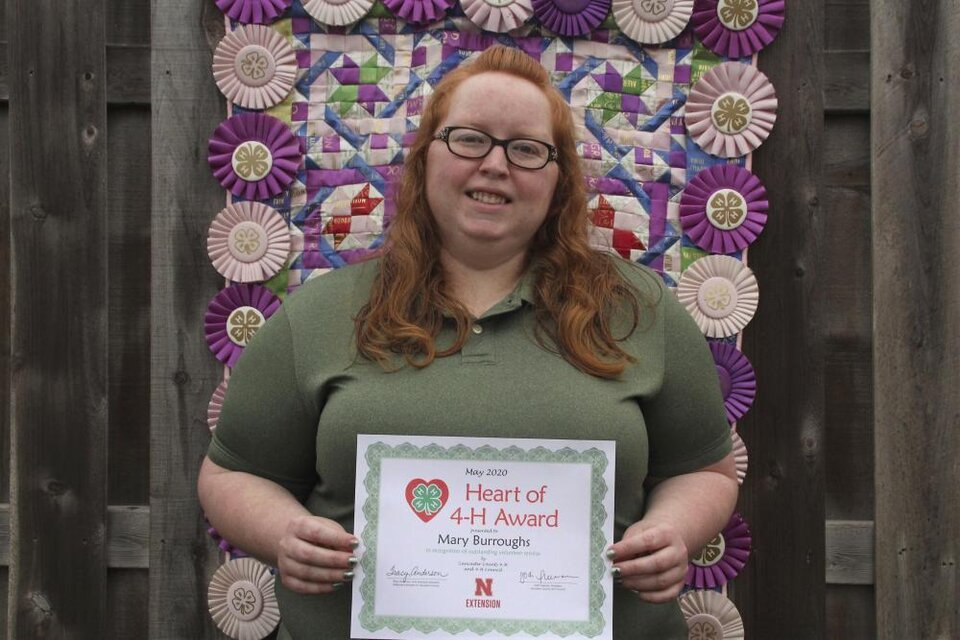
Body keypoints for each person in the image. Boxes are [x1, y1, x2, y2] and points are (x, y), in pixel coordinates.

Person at [198, 45, 738, 639]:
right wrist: (283, 534)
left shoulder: (641, 311)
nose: (495, 165)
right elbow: (231, 475)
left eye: (527, 149)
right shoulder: (321, 315)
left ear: (560, 181)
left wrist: (672, 532)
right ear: (426, 158)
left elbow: (706, 471)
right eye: (469, 139)